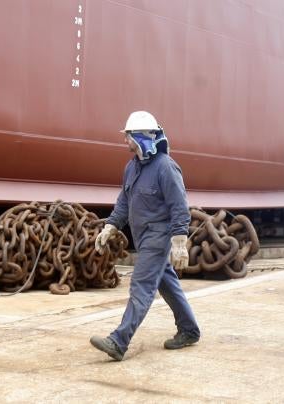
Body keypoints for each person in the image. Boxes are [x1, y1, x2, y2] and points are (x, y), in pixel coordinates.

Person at [90, 110, 201, 361]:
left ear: (142, 137)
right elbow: (123, 203)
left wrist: (180, 242)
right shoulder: (132, 168)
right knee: (167, 284)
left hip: (158, 237)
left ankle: (118, 341)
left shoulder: (165, 167)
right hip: (143, 237)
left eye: (129, 136)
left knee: (140, 286)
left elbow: (179, 206)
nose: (125, 141)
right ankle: (189, 330)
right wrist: (110, 227)